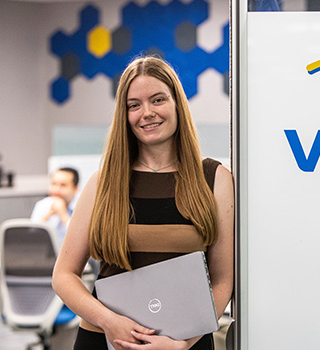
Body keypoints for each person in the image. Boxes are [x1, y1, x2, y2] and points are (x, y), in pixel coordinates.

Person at [52, 56, 234, 350]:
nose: (146, 113)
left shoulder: (215, 179)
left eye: (158, 99)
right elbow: (63, 276)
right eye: (133, 105)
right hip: (106, 339)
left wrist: (182, 343)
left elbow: (223, 279)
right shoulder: (103, 182)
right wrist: (109, 321)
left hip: (187, 342)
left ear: (177, 103)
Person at [31, 167, 79, 243]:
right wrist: (48, 215)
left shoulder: (83, 207)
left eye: (63, 185)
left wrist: (63, 214)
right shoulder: (42, 205)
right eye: (54, 184)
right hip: (48, 254)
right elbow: (31, 237)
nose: (56, 190)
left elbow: (80, 239)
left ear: (75, 188)